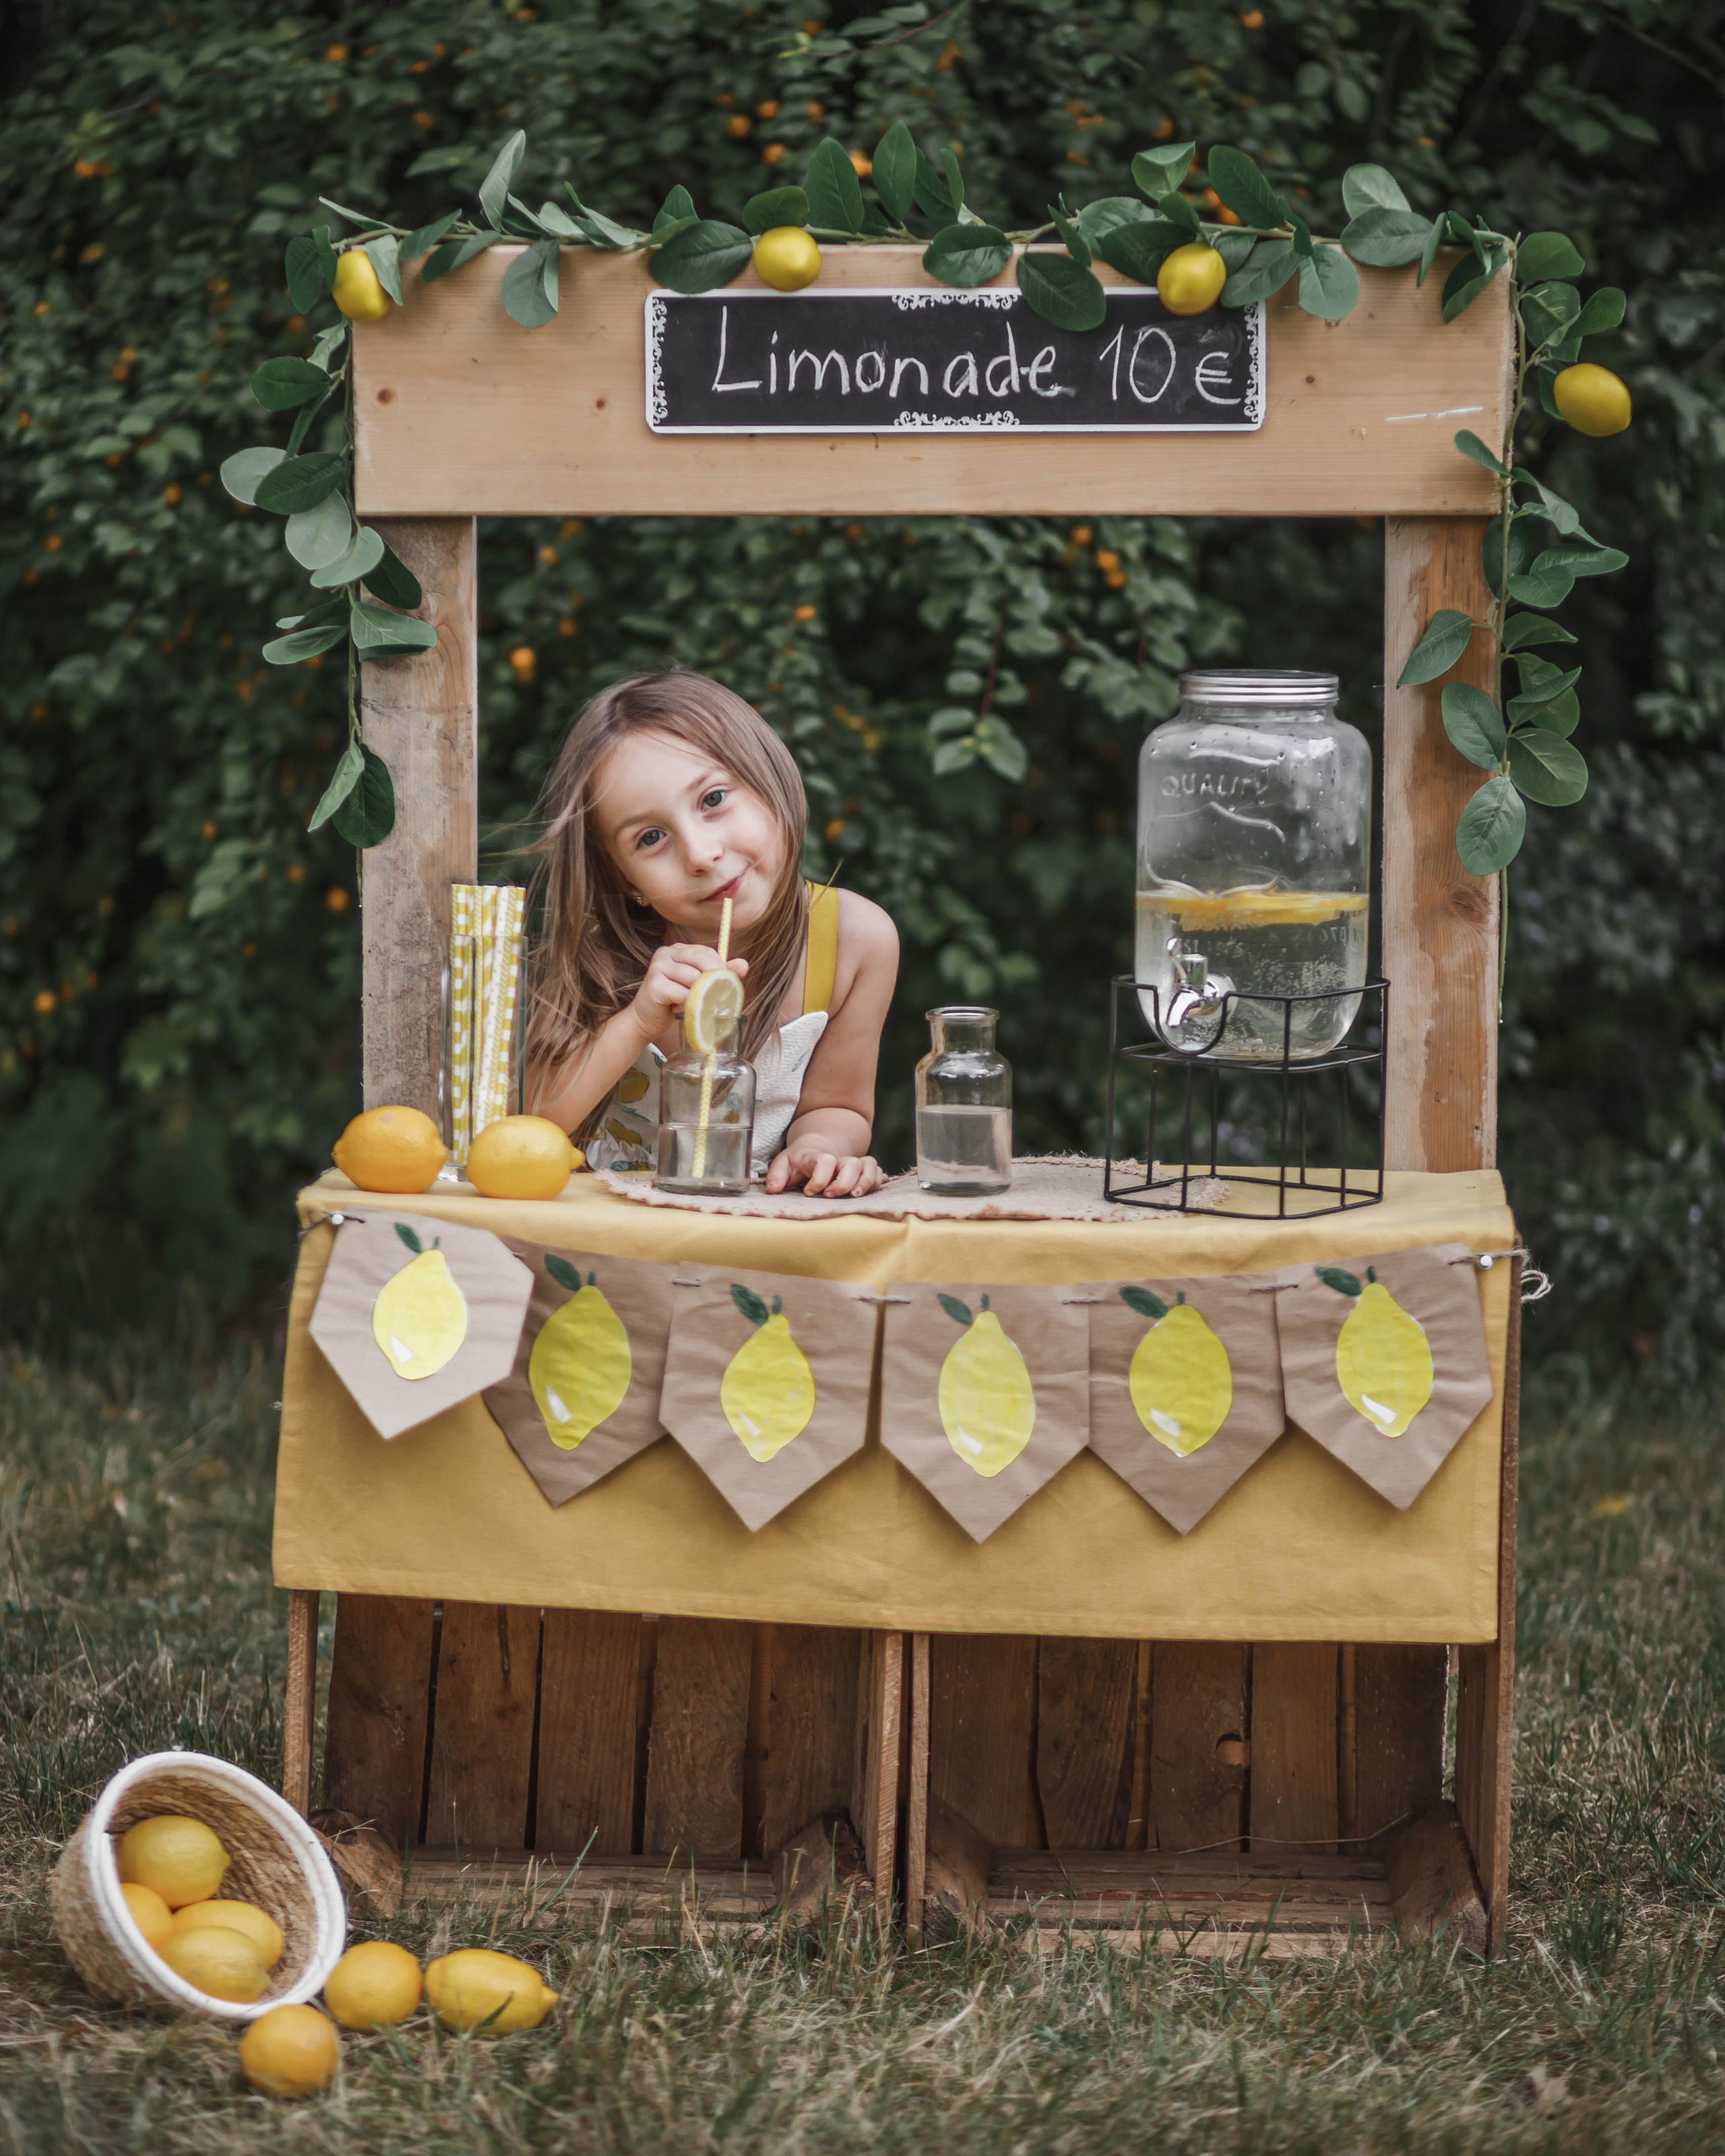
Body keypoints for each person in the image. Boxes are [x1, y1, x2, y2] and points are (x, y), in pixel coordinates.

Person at [525, 668, 898, 1197]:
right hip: (606, 1227)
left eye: (714, 799)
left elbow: (837, 1106)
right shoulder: (601, 951)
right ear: (623, 878)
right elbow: (533, 1124)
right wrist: (636, 1021)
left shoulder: (854, 941)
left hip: (750, 1232)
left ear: (770, 779)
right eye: (651, 837)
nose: (701, 855)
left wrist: (820, 1149)